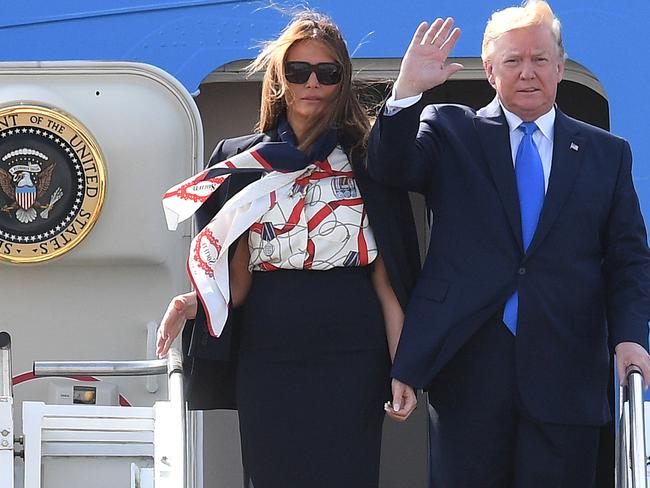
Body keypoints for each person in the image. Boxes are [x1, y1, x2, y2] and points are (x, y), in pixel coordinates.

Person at [367, 1, 650, 486]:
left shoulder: (607, 153)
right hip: (470, 369)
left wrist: (630, 337)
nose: (528, 73)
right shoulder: (450, 129)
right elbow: (389, 168)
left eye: (540, 59)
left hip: (568, 370)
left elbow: (628, 259)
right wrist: (406, 91)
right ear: (491, 69)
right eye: (513, 60)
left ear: (560, 67)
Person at [157, 11, 420, 488]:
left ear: (342, 80)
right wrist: (193, 302)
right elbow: (237, 281)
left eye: (327, 72)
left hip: (353, 350)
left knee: (349, 474)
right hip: (269, 350)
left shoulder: (367, 159)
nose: (312, 83)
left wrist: (405, 369)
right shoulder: (243, 161)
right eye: (299, 71)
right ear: (280, 78)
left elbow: (387, 280)